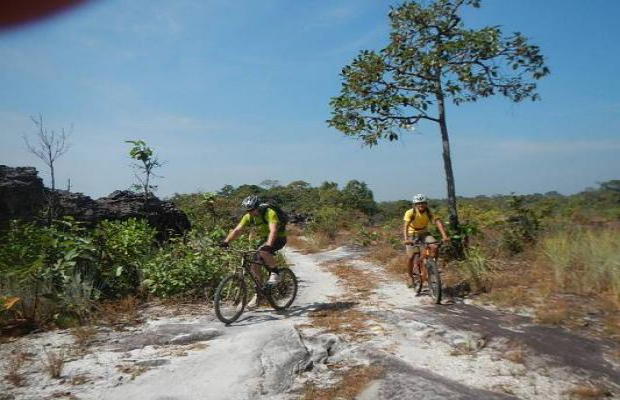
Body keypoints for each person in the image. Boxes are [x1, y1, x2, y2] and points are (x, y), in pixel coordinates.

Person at [221, 195, 287, 305]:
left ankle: (276, 274)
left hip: (279, 238)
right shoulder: (248, 216)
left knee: (263, 251)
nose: (250, 212)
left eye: (252, 210)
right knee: (254, 263)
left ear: (258, 207)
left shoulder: (269, 213)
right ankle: (259, 293)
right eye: (248, 210)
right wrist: (226, 241)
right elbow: (237, 230)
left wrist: (268, 246)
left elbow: (273, 231)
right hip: (265, 238)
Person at [403, 194, 449, 288]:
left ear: (426, 204)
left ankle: (432, 266)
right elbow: (406, 226)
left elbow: (438, 223)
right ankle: (410, 277)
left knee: (434, 246)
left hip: (424, 232)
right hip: (412, 233)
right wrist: (406, 239)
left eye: (423, 203)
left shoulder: (429, 211)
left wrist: (444, 236)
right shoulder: (410, 212)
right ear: (415, 205)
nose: (421, 205)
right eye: (418, 203)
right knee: (411, 256)